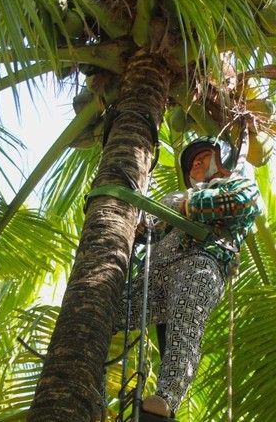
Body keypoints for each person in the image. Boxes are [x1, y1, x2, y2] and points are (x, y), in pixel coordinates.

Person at [114, 136, 261, 421]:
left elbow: (238, 203)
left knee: (184, 326)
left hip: (201, 263)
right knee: (110, 312)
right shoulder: (177, 198)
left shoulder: (240, 185)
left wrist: (183, 206)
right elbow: (148, 230)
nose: (196, 162)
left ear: (224, 161)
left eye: (204, 156)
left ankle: (164, 401)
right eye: (193, 160)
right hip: (156, 271)